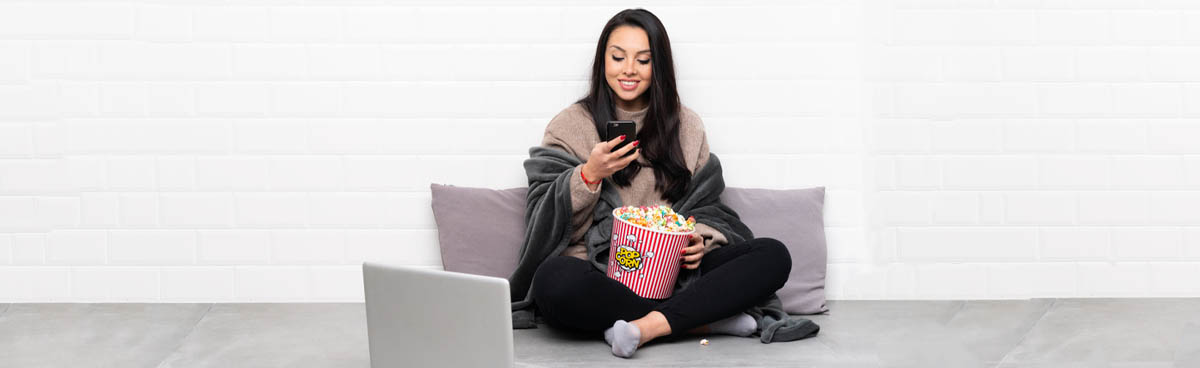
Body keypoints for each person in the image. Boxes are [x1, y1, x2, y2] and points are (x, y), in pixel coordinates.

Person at [526, 8, 794, 359]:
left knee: (773, 255)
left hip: (678, 275)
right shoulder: (570, 125)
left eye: (643, 60)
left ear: (659, 66)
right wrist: (588, 174)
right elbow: (542, 218)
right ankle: (700, 319)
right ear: (602, 60)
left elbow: (708, 205)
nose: (628, 70)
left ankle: (646, 327)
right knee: (553, 282)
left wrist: (698, 238)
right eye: (618, 57)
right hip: (602, 272)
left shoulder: (686, 125)